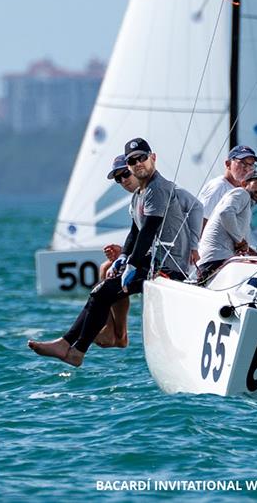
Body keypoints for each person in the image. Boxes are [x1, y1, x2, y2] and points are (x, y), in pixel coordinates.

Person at [28, 138, 202, 367]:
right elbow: (134, 233)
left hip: (168, 269)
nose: (137, 163)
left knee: (102, 293)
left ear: (153, 158)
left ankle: (75, 349)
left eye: (141, 158)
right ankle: (73, 346)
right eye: (132, 161)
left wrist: (132, 264)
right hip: (154, 263)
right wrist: (123, 258)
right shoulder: (140, 194)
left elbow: (149, 231)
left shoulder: (158, 189)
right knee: (103, 287)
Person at [92, 155, 139, 349]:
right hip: (149, 254)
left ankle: (118, 335)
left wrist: (126, 255)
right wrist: (122, 253)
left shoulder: (152, 193)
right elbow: (139, 234)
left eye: (125, 174)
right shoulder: (137, 198)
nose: (123, 180)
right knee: (107, 267)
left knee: (111, 271)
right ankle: (116, 333)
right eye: (118, 179)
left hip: (168, 261)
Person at [196, 171, 257, 282]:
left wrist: (249, 249)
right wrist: (239, 241)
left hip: (218, 259)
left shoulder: (246, 205)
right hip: (216, 259)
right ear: (244, 184)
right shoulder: (241, 193)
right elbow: (225, 213)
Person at [197, 145, 257, 230]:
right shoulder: (219, 187)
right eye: (243, 163)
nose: (247, 169)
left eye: (251, 165)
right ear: (228, 164)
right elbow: (201, 223)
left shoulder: (238, 190)